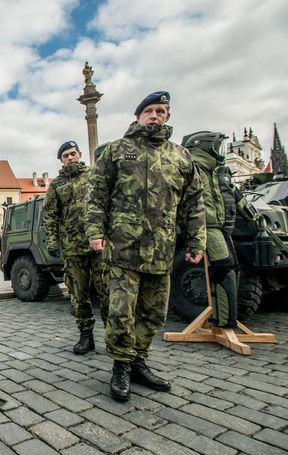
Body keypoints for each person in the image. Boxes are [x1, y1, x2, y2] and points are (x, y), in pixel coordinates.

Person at [85, 91, 206, 402]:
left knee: (153, 314)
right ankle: (121, 367)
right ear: (138, 116)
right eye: (150, 110)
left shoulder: (180, 157)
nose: (156, 115)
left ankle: (138, 361)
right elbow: (96, 195)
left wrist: (196, 240)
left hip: (161, 250)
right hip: (123, 248)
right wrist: (95, 231)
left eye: (162, 111)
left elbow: (194, 203)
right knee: (121, 312)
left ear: (167, 116)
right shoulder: (117, 151)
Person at [43, 141, 108, 355]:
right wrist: (53, 242)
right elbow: (51, 215)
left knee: (107, 292)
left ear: (80, 154)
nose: (70, 158)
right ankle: (85, 336)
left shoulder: (94, 175)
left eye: (73, 154)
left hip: (99, 245)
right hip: (73, 247)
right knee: (79, 295)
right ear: (60, 160)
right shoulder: (57, 185)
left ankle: (113, 336)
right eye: (65, 156)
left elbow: (108, 204)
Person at [183, 131, 238, 328]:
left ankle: (221, 317)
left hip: (219, 226)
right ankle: (226, 321)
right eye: (216, 146)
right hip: (207, 226)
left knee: (226, 269)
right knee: (225, 268)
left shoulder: (213, 170)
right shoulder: (193, 168)